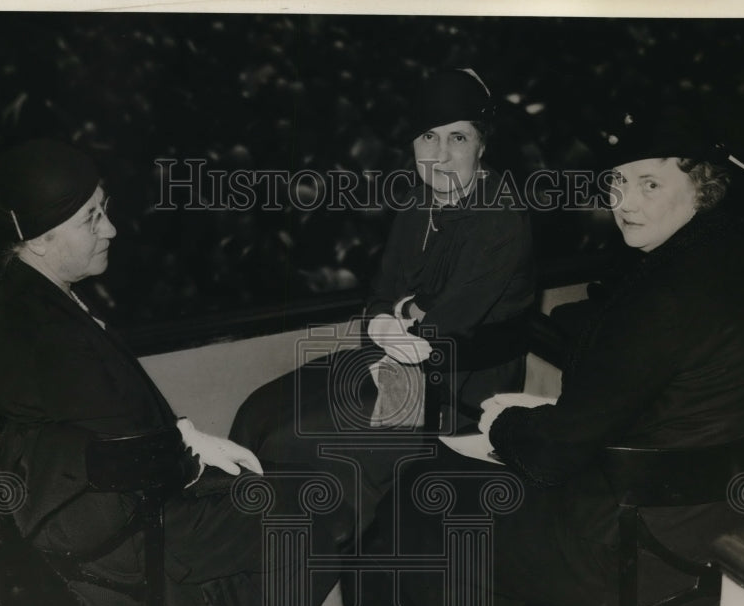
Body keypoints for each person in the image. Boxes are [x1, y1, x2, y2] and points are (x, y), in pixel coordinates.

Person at [392, 108, 744, 606]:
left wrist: (504, 424)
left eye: (650, 184)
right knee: (479, 489)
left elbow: (552, 456)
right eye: (617, 184)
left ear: (703, 188)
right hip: (711, 534)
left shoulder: (665, 293)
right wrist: (553, 413)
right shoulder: (733, 263)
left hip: (630, 559)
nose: (626, 202)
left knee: (426, 488)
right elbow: (660, 399)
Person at [0, 139, 361, 606]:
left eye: (105, 208)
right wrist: (188, 456)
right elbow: (125, 445)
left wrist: (185, 433)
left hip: (86, 503)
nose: (111, 228)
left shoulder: (27, 294)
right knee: (322, 505)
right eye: (92, 217)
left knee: (272, 487)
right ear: (41, 240)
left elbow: (101, 415)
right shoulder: (40, 329)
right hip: (113, 533)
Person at [229, 68, 534, 535]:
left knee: (300, 438)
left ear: (482, 145)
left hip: (460, 386)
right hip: (399, 360)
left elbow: (444, 327)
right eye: (428, 137)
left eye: (459, 137)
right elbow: (380, 297)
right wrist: (389, 322)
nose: (442, 156)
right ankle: (263, 557)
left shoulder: (500, 216)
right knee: (260, 411)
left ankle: (332, 568)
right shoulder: (417, 202)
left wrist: (400, 319)